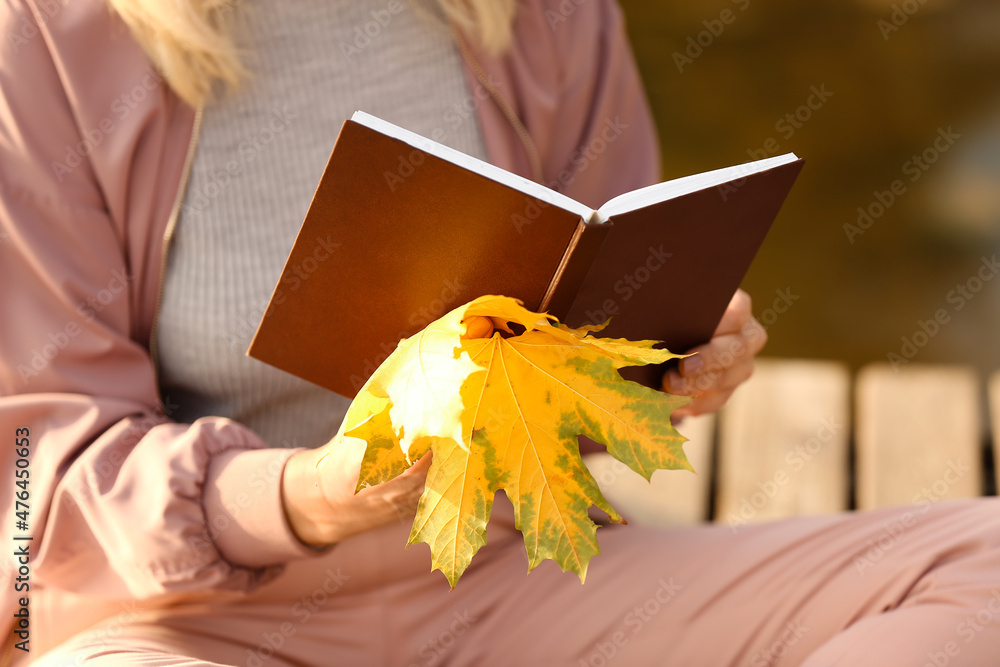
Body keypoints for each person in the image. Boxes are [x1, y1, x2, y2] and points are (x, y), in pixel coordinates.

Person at [1, 0, 999, 665]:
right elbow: (28, 483)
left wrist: (656, 365)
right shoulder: (42, 33)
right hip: (190, 625)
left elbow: (584, 312)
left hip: (508, 579)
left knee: (981, 565)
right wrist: (309, 496)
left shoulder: (534, 12)